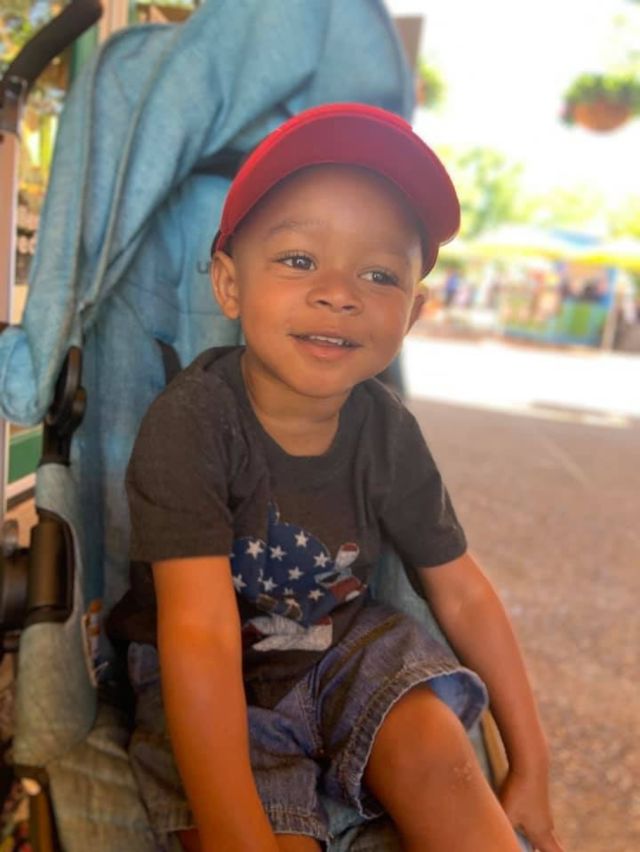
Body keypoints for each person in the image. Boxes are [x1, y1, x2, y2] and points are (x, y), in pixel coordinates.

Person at [108, 103, 563, 852]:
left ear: (411, 313)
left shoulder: (388, 432)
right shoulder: (192, 423)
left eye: (379, 274)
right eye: (298, 260)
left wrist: (532, 762)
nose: (339, 291)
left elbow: (461, 591)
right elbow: (199, 633)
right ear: (228, 284)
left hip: (351, 650)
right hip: (219, 677)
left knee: (440, 756)